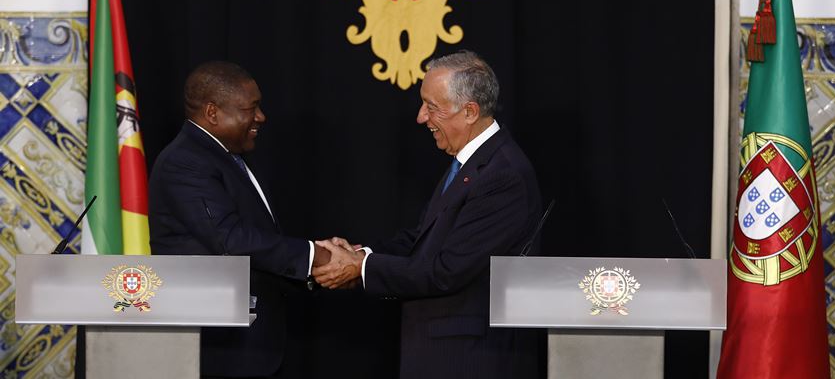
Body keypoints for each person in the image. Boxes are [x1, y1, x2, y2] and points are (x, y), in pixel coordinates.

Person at [313, 50, 543, 379]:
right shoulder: (473, 164)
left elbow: (445, 271)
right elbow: (425, 239)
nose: (421, 117)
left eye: (432, 107)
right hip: (443, 352)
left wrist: (360, 269)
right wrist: (360, 254)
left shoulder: (501, 175)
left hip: (470, 360)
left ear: (469, 111)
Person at [148, 61, 328, 379]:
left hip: (254, 343)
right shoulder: (185, 162)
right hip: (220, 350)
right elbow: (230, 239)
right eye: (251, 108)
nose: (261, 117)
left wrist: (313, 267)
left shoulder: (230, 156)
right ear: (213, 112)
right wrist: (316, 256)